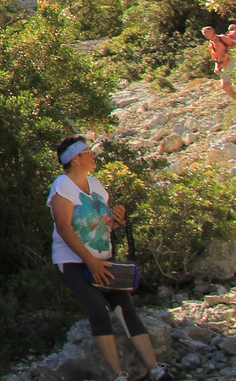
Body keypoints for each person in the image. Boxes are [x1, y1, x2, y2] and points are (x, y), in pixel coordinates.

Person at [49, 136, 170, 381]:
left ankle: (154, 369)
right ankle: (119, 375)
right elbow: (64, 228)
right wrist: (91, 262)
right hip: (73, 260)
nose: (93, 155)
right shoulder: (62, 185)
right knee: (98, 310)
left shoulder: (96, 185)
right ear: (76, 158)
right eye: (88, 151)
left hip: (103, 258)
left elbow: (100, 226)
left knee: (125, 308)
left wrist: (117, 221)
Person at [203, 26, 236, 99]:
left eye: (206, 32)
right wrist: (217, 67)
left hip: (232, 61)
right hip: (224, 66)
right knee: (225, 86)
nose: (205, 34)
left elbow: (235, 45)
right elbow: (216, 59)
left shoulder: (221, 38)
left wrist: (227, 53)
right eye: (204, 33)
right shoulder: (211, 45)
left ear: (212, 31)